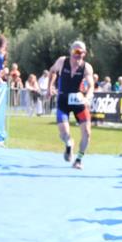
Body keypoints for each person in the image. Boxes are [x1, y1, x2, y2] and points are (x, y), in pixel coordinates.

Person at [48, 40, 95, 170]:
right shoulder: (62, 61)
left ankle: (79, 159)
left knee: (87, 132)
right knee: (64, 133)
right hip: (63, 101)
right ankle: (69, 144)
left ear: (84, 53)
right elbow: (52, 71)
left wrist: (88, 97)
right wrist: (50, 87)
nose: (78, 54)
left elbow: (91, 85)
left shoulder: (87, 67)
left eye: (81, 52)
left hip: (79, 103)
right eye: (75, 51)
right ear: (71, 51)